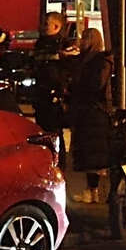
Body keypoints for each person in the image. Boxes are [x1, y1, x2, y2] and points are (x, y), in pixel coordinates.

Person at [68, 28, 114, 204]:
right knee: (90, 154)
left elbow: (96, 85)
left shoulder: (101, 60)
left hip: (96, 111)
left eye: (85, 39)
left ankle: (94, 191)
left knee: (95, 155)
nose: (81, 42)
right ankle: (92, 191)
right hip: (86, 111)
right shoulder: (84, 60)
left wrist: (77, 87)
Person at [32, 12, 79, 163]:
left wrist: (62, 89)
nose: (42, 27)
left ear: (57, 27)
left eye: (46, 24)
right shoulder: (39, 44)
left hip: (56, 97)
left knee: (55, 133)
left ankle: (59, 164)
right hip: (41, 95)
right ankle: (46, 163)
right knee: (42, 132)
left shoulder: (65, 45)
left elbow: (73, 69)